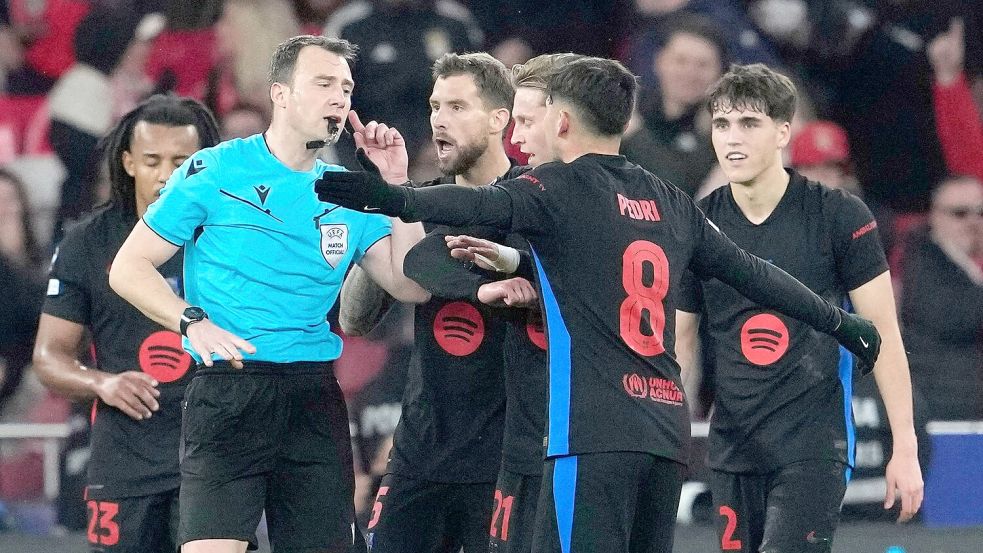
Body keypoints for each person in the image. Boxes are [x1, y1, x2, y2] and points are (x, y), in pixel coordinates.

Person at [315, 55, 882, 552]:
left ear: (562, 119)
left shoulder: (554, 188)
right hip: (665, 433)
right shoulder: (671, 201)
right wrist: (840, 322)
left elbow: (470, 205)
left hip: (588, 434)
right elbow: (757, 275)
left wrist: (390, 194)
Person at [108, 35, 428, 553]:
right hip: (229, 389)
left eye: (346, 88)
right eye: (323, 83)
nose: (339, 98)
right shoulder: (214, 169)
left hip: (312, 395)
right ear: (280, 93)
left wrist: (395, 187)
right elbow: (128, 267)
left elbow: (408, 283)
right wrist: (191, 321)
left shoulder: (349, 191)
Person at [676, 63, 923, 553]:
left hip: (814, 443)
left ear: (783, 132)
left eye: (749, 124)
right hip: (731, 446)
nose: (732, 138)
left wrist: (906, 446)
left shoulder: (838, 215)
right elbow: (681, 340)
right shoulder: (698, 224)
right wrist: (673, 438)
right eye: (722, 125)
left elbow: (882, 335)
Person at [339, 51, 523, 553]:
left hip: (506, 455)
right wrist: (386, 201)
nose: (439, 119)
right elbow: (355, 318)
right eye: (434, 106)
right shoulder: (420, 206)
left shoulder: (533, 204)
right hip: (420, 451)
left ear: (499, 119)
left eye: (458, 106)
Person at [31, 95, 219, 552]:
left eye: (181, 161)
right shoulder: (86, 244)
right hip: (125, 460)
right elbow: (49, 356)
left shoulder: (230, 238)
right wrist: (102, 384)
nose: (165, 174)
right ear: (129, 162)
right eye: (152, 160)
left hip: (213, 458)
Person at [901, 175, 983, 421]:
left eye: (981, 212)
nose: (973, 222)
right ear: (935, 216)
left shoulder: (970, 265)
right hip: (946, 401)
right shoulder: (919, 263)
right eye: (960, 213)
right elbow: (952, 319)